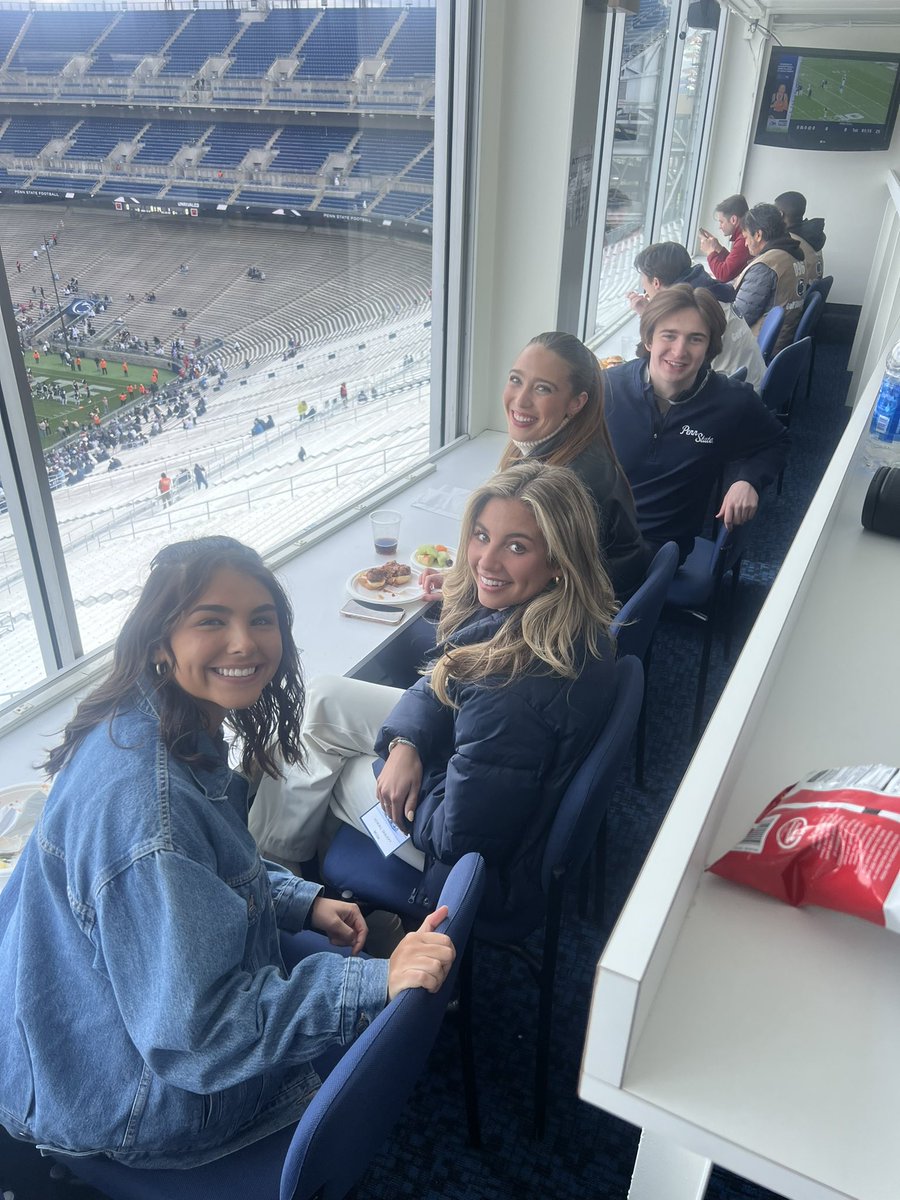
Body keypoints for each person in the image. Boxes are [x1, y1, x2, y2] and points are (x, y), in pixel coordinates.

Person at [0, 537, 453, 1169]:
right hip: (133, 1096)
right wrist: (377, 978)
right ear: (162, 641)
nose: (244, 642)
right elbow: (200, 1038)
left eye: (260, 619)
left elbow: (203, 871)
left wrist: (300, 900)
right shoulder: (146, 812)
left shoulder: (155, 720)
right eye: (211, 620)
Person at [249, 463, 617, 928]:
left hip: (471, 866)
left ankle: (274, 899)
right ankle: (312, 892)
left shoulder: (509, 690)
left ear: (559, 562)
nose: (486, 561)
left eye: (517, 547)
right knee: (322, 699)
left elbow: (456, 838)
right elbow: (449, 677)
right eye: (481, 536)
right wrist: (407, 744)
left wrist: (406, 773)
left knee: (321, 766)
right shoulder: (556, 618)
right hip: (479, 776)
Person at [604, 285, 789, 562]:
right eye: (669, 336)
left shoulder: (731, 401)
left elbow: (778, 441)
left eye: (695, 339)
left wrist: (747, 479)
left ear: (709, 347)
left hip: (655, 550)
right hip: (592, 533)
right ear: (649, 339)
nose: (679, 351)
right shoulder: (607, 388)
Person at [628, 242, 766, 389]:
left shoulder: (694, 312)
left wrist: (647, 314)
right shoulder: (710, 294)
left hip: (732, 398)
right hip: (751, 385)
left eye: (644, 281)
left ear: (656, 282)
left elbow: (664, 363)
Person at [733, 202, 808, 353]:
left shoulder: (766, 266)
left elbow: (740, 316)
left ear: (758, 235)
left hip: (759, 346)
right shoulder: (793, 254)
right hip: (783, 339)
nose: (746, 243)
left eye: (746, 237)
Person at [774, 190, 826, 282]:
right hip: (806, 291)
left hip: (796, 292)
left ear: (780, 214)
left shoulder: (789, 242)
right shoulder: (812, 235)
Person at [699, 194, 751, 283]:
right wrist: (717, 248)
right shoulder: (743, 235)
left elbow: (723, 275)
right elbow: (734, 265)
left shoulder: (743, 240)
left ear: (733, 220)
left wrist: (709, 251)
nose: (720, 227)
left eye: (721, 222)